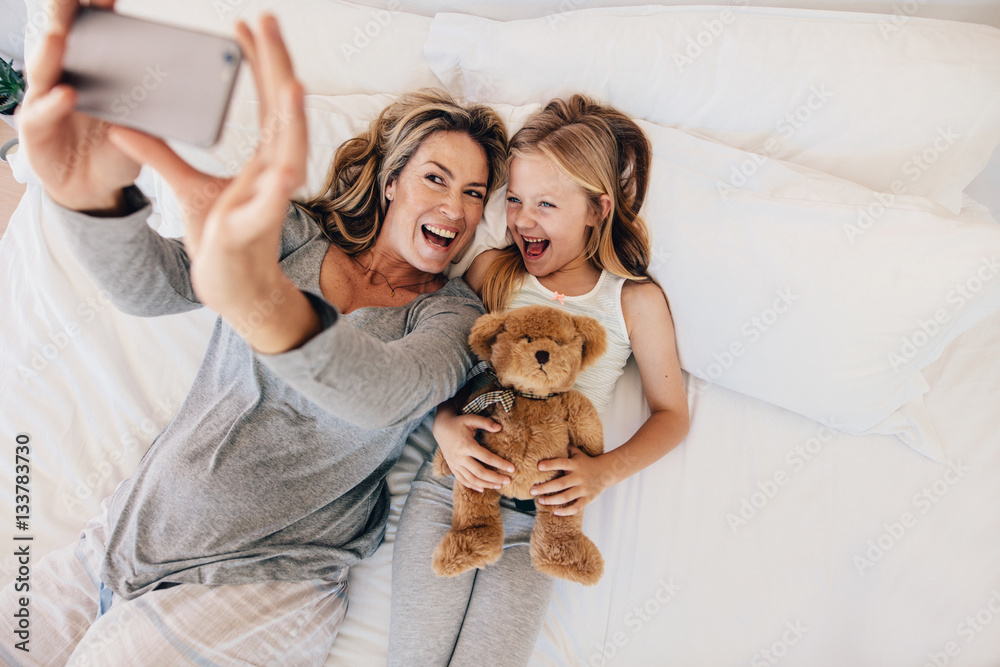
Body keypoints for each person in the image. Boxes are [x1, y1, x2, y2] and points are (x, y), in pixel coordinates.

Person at [0, 3, 508, 665]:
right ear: (390, 182)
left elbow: (385, 393)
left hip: (262, 586)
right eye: (436, 178)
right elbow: (153, 286)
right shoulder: (294, 234)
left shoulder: (452, 316)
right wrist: (90, 204)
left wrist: (263, 303)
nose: (456, 207)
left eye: (475, 192)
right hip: (112, 547)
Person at [387, 95, 691, 666]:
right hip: (450, 495)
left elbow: (672, 415)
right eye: (516, 200)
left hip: (542, 520)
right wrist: (447, 426)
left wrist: (603, 471)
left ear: (598, 209)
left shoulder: (633, 301)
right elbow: (432, 366)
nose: (524, 219)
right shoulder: (490, 271)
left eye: (547, 204)